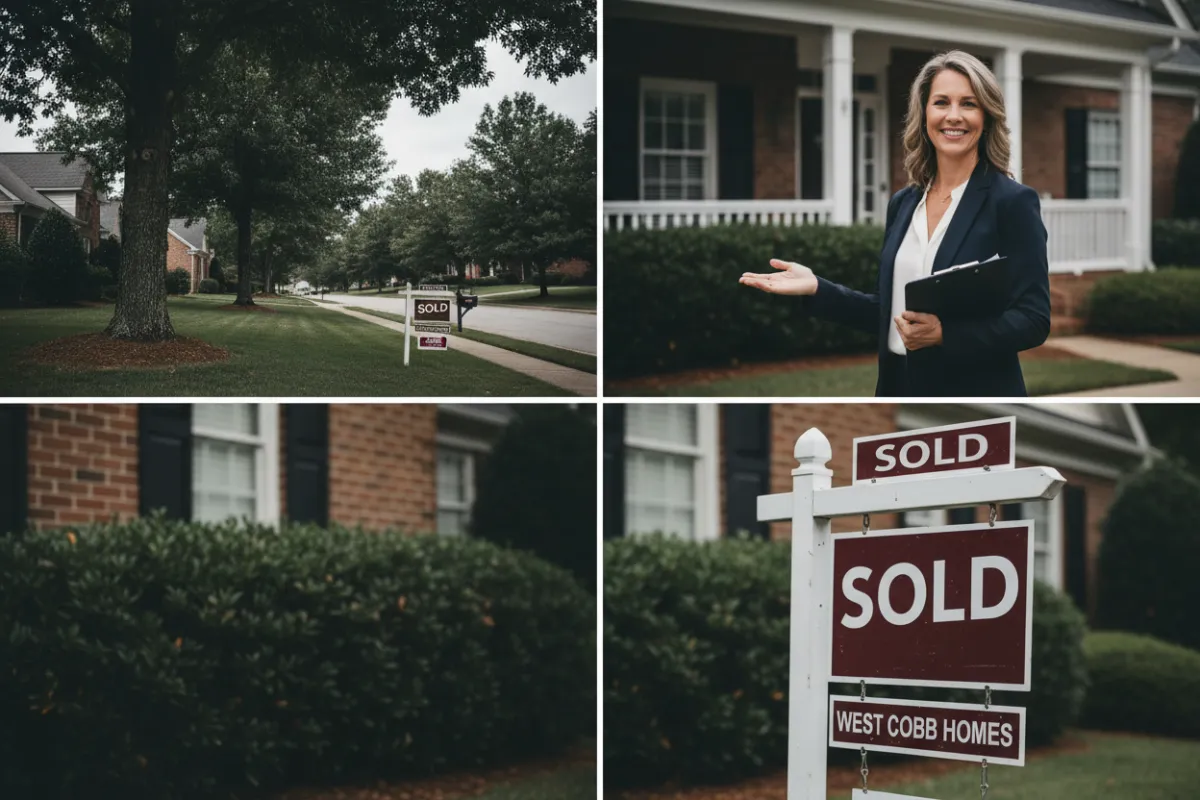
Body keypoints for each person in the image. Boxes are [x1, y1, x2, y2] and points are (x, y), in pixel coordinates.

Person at [739, 50, 1050, 397]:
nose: (953, 115)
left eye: (968, 104)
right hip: (897, 388)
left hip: (975, 395)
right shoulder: (904, 203)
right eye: (941, 102)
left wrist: (945, 334)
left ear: (987, 116)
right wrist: (817, 288)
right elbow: (887, 312)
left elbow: (1033, 320)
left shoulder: (1011, 203)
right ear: (924, 113)